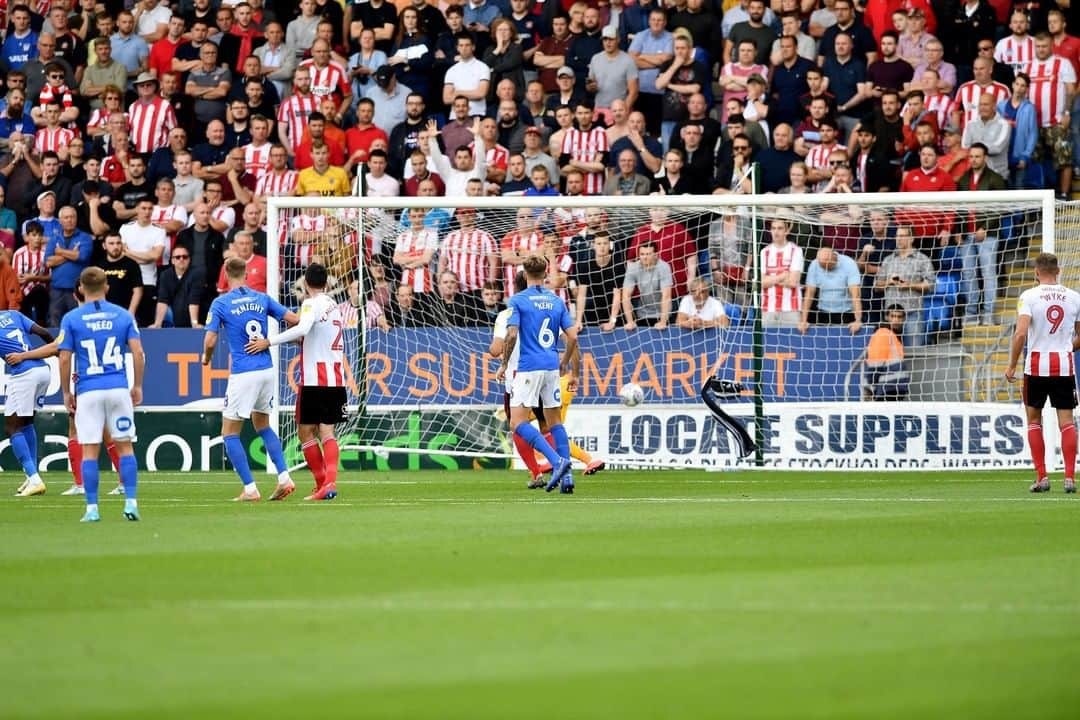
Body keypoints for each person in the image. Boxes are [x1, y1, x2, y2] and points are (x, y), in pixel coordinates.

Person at [202, 256, 299, 502]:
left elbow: (211, 339)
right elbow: (295, 320)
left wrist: (206, 357)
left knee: (230, 433)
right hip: (267, 369)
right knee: (263, 425)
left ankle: (250, 488)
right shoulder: (261, 298)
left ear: (225, 275)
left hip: (244, 372)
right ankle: (285, 478)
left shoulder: (221, 303)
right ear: (246, 274)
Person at [246, 263, 343, 501]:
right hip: (336, 376)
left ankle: (324, 484)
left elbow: (304, 327)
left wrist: (269, 341)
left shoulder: (311, 303)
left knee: (305, 433)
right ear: (327, 283)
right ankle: (327, 485)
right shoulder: (334, 306)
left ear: (306, 284)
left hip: (314, 378)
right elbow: (310, 336)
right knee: (327, 431)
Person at [59, 268, 145, 522]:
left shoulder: (72, 318)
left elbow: (65, 358)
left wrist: (66, 392)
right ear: (107, 286)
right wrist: (137, 386)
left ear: (82, 289)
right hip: (118, 388)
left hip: (88, 390)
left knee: (89, 450)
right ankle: (131, 503)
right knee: (125, 446)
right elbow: (138, 353)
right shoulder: (123, 316)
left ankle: (92, 509)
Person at [496, 255, 580, 494]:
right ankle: (568, 478)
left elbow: (511, 334)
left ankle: (556, 462)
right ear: (545, 274)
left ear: (524, 273)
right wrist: (564, 361)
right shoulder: (556, 301)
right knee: (554, 422)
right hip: (551, 366)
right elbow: (573, 336)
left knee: (517, 422)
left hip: (529, 368)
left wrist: (503, 365)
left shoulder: (518, 300)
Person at [1005, 253, 1080, 494]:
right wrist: (1068, 348)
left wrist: (1012, 365)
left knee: (1034, 420)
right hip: (1064, 366)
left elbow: (1020, 333)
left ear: (1037, 272)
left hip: (1036, 366)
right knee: (1066, 422)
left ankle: (1042, 477)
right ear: (1058, 271)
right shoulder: (1074, 298)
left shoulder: (1028, 296)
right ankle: (1069, 477)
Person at [2, 310, 54, 497]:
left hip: (23, 374)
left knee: (12, 428)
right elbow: (44, 333)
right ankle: (32, 476)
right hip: (42, 370)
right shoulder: (12, 314)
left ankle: (34, 479)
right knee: (26, 423)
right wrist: (58, 351)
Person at [799, 245, 863, 334]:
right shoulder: (815, 264)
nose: (824, 270)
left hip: (846, 313)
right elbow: (809, 293)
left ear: (834, 260)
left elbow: (855, 294)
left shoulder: (849, 263)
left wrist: (858, 320)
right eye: (822, 267)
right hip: (822, 312)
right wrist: (803, 320)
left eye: (827, 267)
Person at [863, 305, 910, 401]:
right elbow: (875, 363)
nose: (896, 320)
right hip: (888, 387)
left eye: (899, 317)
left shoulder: (893, 335)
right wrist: (869, 387)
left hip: (893, 387)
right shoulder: (883, 332)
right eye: (893, 316)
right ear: (886, 317)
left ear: (904, 319)